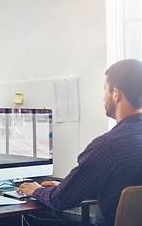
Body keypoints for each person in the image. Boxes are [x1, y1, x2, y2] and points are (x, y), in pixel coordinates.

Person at [17, 59, 142, 226]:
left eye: (105, 90)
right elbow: (122, 191)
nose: (103, 97)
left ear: (116, 93)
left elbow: (60, 201)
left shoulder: (107, 146)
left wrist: (37, 190)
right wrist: (66, 187)